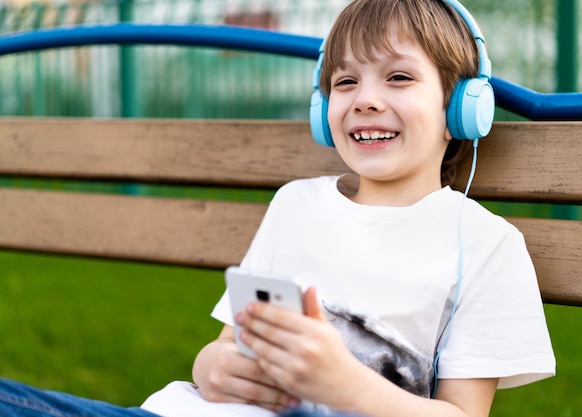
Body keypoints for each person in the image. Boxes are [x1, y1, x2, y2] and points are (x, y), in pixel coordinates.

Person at [0, 1, 554, 416]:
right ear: (323, 109)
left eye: (399, 77)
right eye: (344, 82)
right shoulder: (297, 204)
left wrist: (341, 383)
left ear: (462, 105)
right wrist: (215, 370)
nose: (364, 97)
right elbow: (220, 350)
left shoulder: (485, 244)